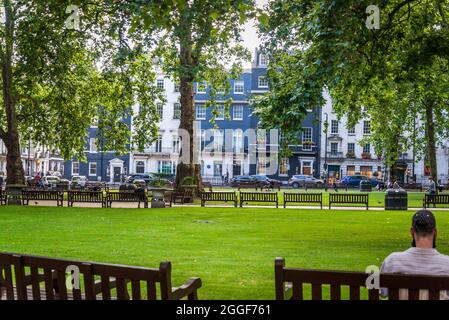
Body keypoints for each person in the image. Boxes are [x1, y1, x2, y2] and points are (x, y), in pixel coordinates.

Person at [380, 210, 449, 299]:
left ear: (412, 232)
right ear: (435, 232)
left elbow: (383, 292)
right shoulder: (446, 264)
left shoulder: (392, 261)